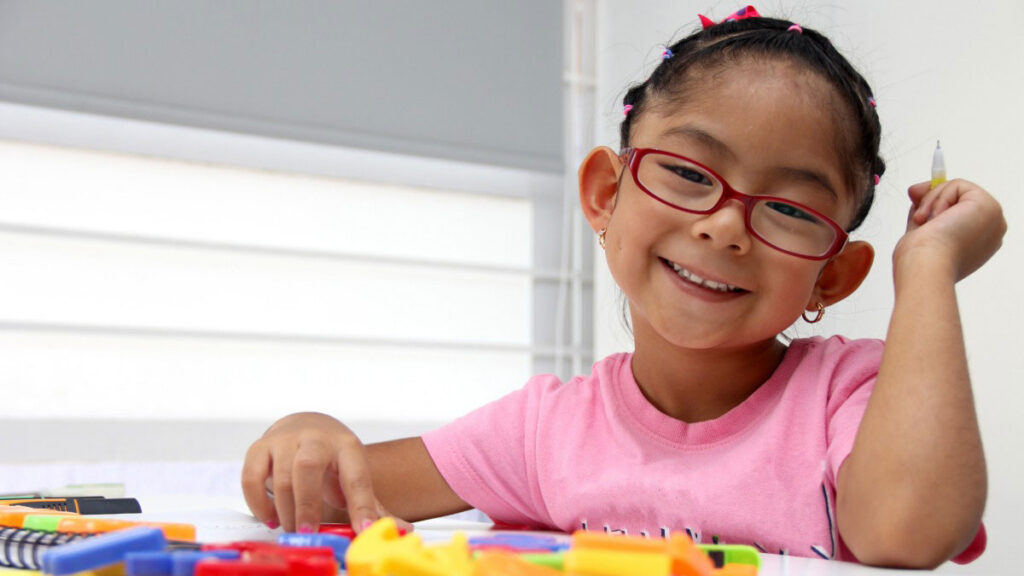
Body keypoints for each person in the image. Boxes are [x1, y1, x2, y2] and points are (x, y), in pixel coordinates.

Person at [240, 7, 1005, 568]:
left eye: (786, 208)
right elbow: (322, 498)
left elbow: (910, 533)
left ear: (832, 276)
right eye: (686, 173)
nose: (725, 227)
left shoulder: (850, 397)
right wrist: (305, 433)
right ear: (607, 194)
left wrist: (929, 268)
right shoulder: (543, 433)